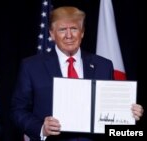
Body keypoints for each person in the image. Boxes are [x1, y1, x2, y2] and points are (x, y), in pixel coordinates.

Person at [11, 6, 144, 141]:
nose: (69, 35)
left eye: (74, 29)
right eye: (62, 29)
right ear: (51, 34)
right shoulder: (32, 66)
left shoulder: (104, 65)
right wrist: (41, 128)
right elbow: (18, 110)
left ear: (82, 32)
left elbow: (110, 113)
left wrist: (128, 113)